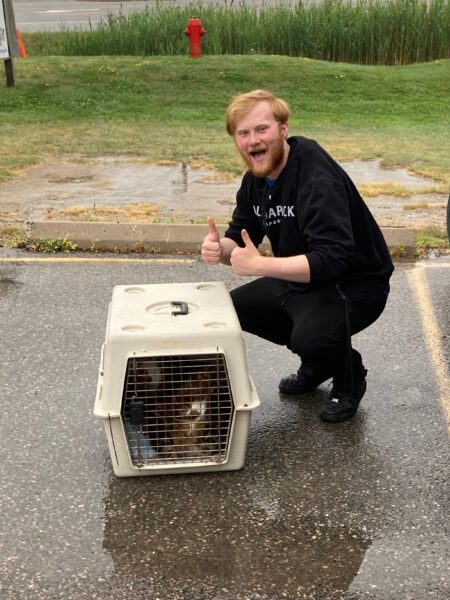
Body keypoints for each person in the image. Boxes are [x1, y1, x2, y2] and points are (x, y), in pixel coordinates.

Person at [201, 90, 394, 423]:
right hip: (302, 278)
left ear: (283, 129)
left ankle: (349, 376)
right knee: (229, 311)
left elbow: (332, 261)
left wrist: (261, 265)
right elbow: (241, 235)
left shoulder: (317, 178)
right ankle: (319, 362)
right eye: (243, 134)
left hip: (356, 284)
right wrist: (222, 250)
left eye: (262, 129)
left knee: (311, 335)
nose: (252, 141)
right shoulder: (254, 182)